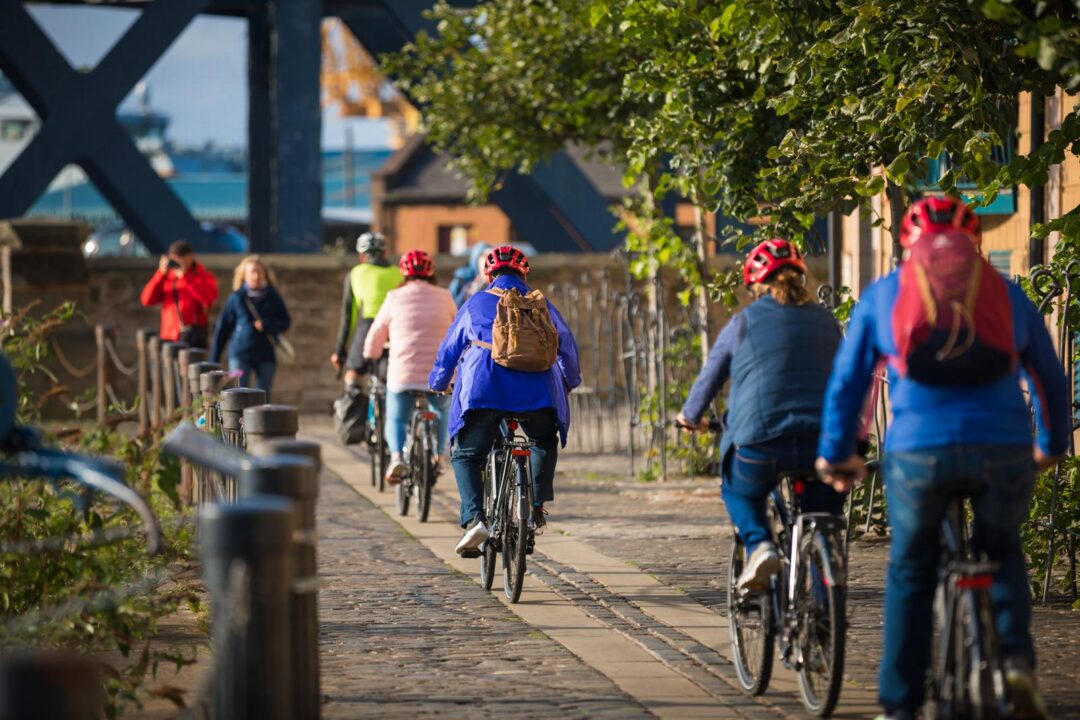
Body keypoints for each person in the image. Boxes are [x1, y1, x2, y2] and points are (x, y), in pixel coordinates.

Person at [816, 197, 1069, 720]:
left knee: (911, 568)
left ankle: (900, 705)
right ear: (974, 241)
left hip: (920, 451)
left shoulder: (885, 294)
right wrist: (1051, 443)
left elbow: (849, 384)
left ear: (908, 243)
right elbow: (1049, 373)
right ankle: (1017, 663)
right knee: (1001, 550)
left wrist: (838, 453)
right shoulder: (1006, 293)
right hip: (1001, 447)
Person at [674, 238, 846, 591]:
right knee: (822, 517)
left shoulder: (743, 322)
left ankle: (759, 545)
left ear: (756, 285)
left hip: (760, 446)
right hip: (824, 443)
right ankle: (827, 595)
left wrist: (690, 416)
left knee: (738, 490)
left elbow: (710, 376)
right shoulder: (828, 322)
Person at [429, 245, 581, 556]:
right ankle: (536, 505)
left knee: (468, 455)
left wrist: (439, 382)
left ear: (489, 275)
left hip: (485, 390)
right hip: (539, 392)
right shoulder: (541, 304)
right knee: (542, 441)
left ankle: (474, 520)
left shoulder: (475, 303)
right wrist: (569, 381)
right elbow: (566, 346)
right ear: (524, 274)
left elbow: (449, 350)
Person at [363, 250, 457, 483]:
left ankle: (396, 458)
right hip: (439, 376)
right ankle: (438, 456)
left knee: (396, 418)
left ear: (404, 274)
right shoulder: (445, 297)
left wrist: (370, 354)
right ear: (431, 273)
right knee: (441, 410)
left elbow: (376, 333)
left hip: (403, 375)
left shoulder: (395, 297)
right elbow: (457, 330)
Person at [330, 231, 403, 404]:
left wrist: (340, 352)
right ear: (384, 253)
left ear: (362, 255)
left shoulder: (355, 273)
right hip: (393, 329)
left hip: (367, 326)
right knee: (390, 377)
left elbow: (348, 316)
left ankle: (353, 405)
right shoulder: (398, 273)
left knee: (353, 373)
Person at [209, 255, 291, 398]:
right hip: (240, 354)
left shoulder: (272, 296)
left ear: (265, 274)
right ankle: (240, 421)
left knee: (263, 396)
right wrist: (213, 360)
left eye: (259, 272)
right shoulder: (236, 297)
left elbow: (285, 322)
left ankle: (263, 421)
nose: (256, 276)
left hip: (265, 355)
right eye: (252, 272)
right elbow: (223, 329)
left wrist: (267, 324)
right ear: (244, 275)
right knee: (238, 395)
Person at [140, 240, 219, 348]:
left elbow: (207, 299)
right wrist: (160, 273)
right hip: (169, 336)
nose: (176, 262)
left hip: (193, 337)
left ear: (190, 257)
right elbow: (146, 300)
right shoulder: (167, 278)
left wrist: (185, 277)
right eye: (173, 258)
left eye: (179, 258)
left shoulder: (203, 276)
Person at [448, 242, 491, 307]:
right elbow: (452, 304)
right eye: (484, 256)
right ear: (476, 259)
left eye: (490, 257)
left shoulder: (492, 280)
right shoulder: (462, 278)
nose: (486, 261)